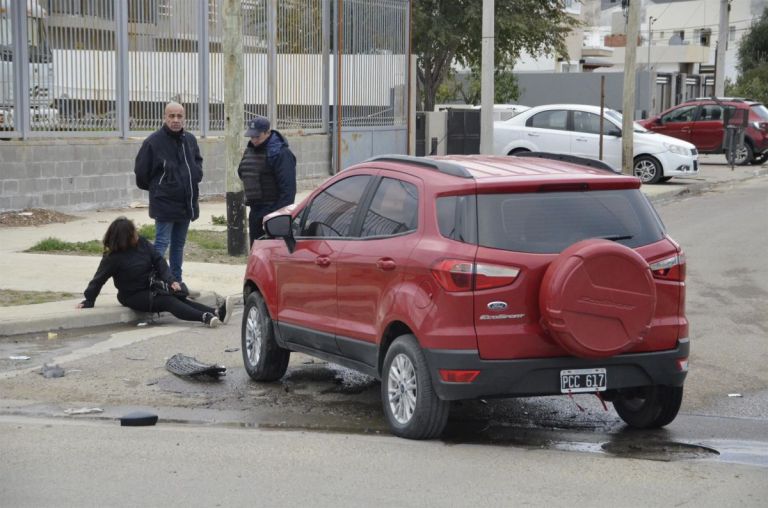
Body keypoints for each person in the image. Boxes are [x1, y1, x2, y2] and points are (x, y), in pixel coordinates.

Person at [77, 217, 232, 328]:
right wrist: (88, 299)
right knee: (168, 301)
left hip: (152, 285)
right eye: (133, 232)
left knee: (178, 296)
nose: (137, 234)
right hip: (132, 295)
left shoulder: (142, 243)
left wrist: (171, 280)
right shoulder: (112, 258)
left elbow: (159, 261)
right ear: (125, 237)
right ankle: (204, 318)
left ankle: (216, 312)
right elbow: (98, 280)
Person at [134, 101, 203, 286]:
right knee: (161, 243)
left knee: (179, 245)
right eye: (171, 116)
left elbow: (197, 162)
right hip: (164, 204)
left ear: (185, 118)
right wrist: (161, 188)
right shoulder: (153, 142)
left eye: (179, 116)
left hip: (186, 203)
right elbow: (141, 173)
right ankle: (155, 279)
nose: (175, 120)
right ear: (164, 117)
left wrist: (196, 174)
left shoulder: (189, 139)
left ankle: (176, 281)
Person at [237, 115, 297, 244]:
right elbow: (243, 172)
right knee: (257, 254)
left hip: (273, 213)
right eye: (251, 136)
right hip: (255, 211)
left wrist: (274, 216)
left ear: (267, 133)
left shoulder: (281, 153)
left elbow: (288, 191)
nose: (253, 140)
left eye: (257, 136)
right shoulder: (250, 150)